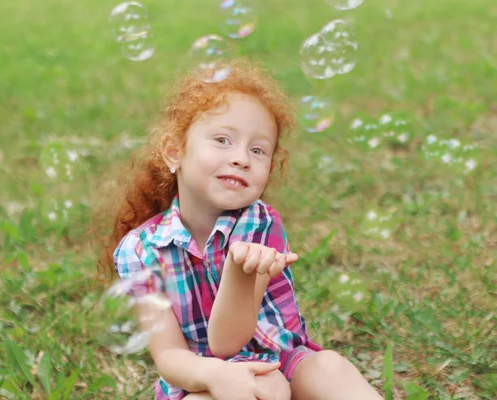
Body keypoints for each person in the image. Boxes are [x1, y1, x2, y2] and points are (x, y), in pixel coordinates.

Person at [98, 59, 384, 400]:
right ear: (174, 153)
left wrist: (239, 270)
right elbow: (170, 355)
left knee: (328, 368)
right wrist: (215, 376)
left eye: (258, 150)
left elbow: (227, 340)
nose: (241, 158)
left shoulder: (260, 223)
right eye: (222, 140)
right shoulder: (140, 249)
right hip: (203, 377)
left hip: (280, 364)